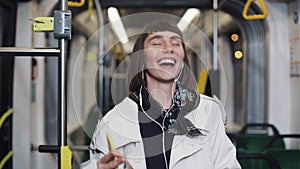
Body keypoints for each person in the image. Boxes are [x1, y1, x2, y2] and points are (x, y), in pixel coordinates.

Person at [82, 20, 241, 169]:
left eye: (176, 43)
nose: (168, 48)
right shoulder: (113, 122)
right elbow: (100, 163)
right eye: (157, 43)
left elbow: (226, 165)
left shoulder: (208, 111)